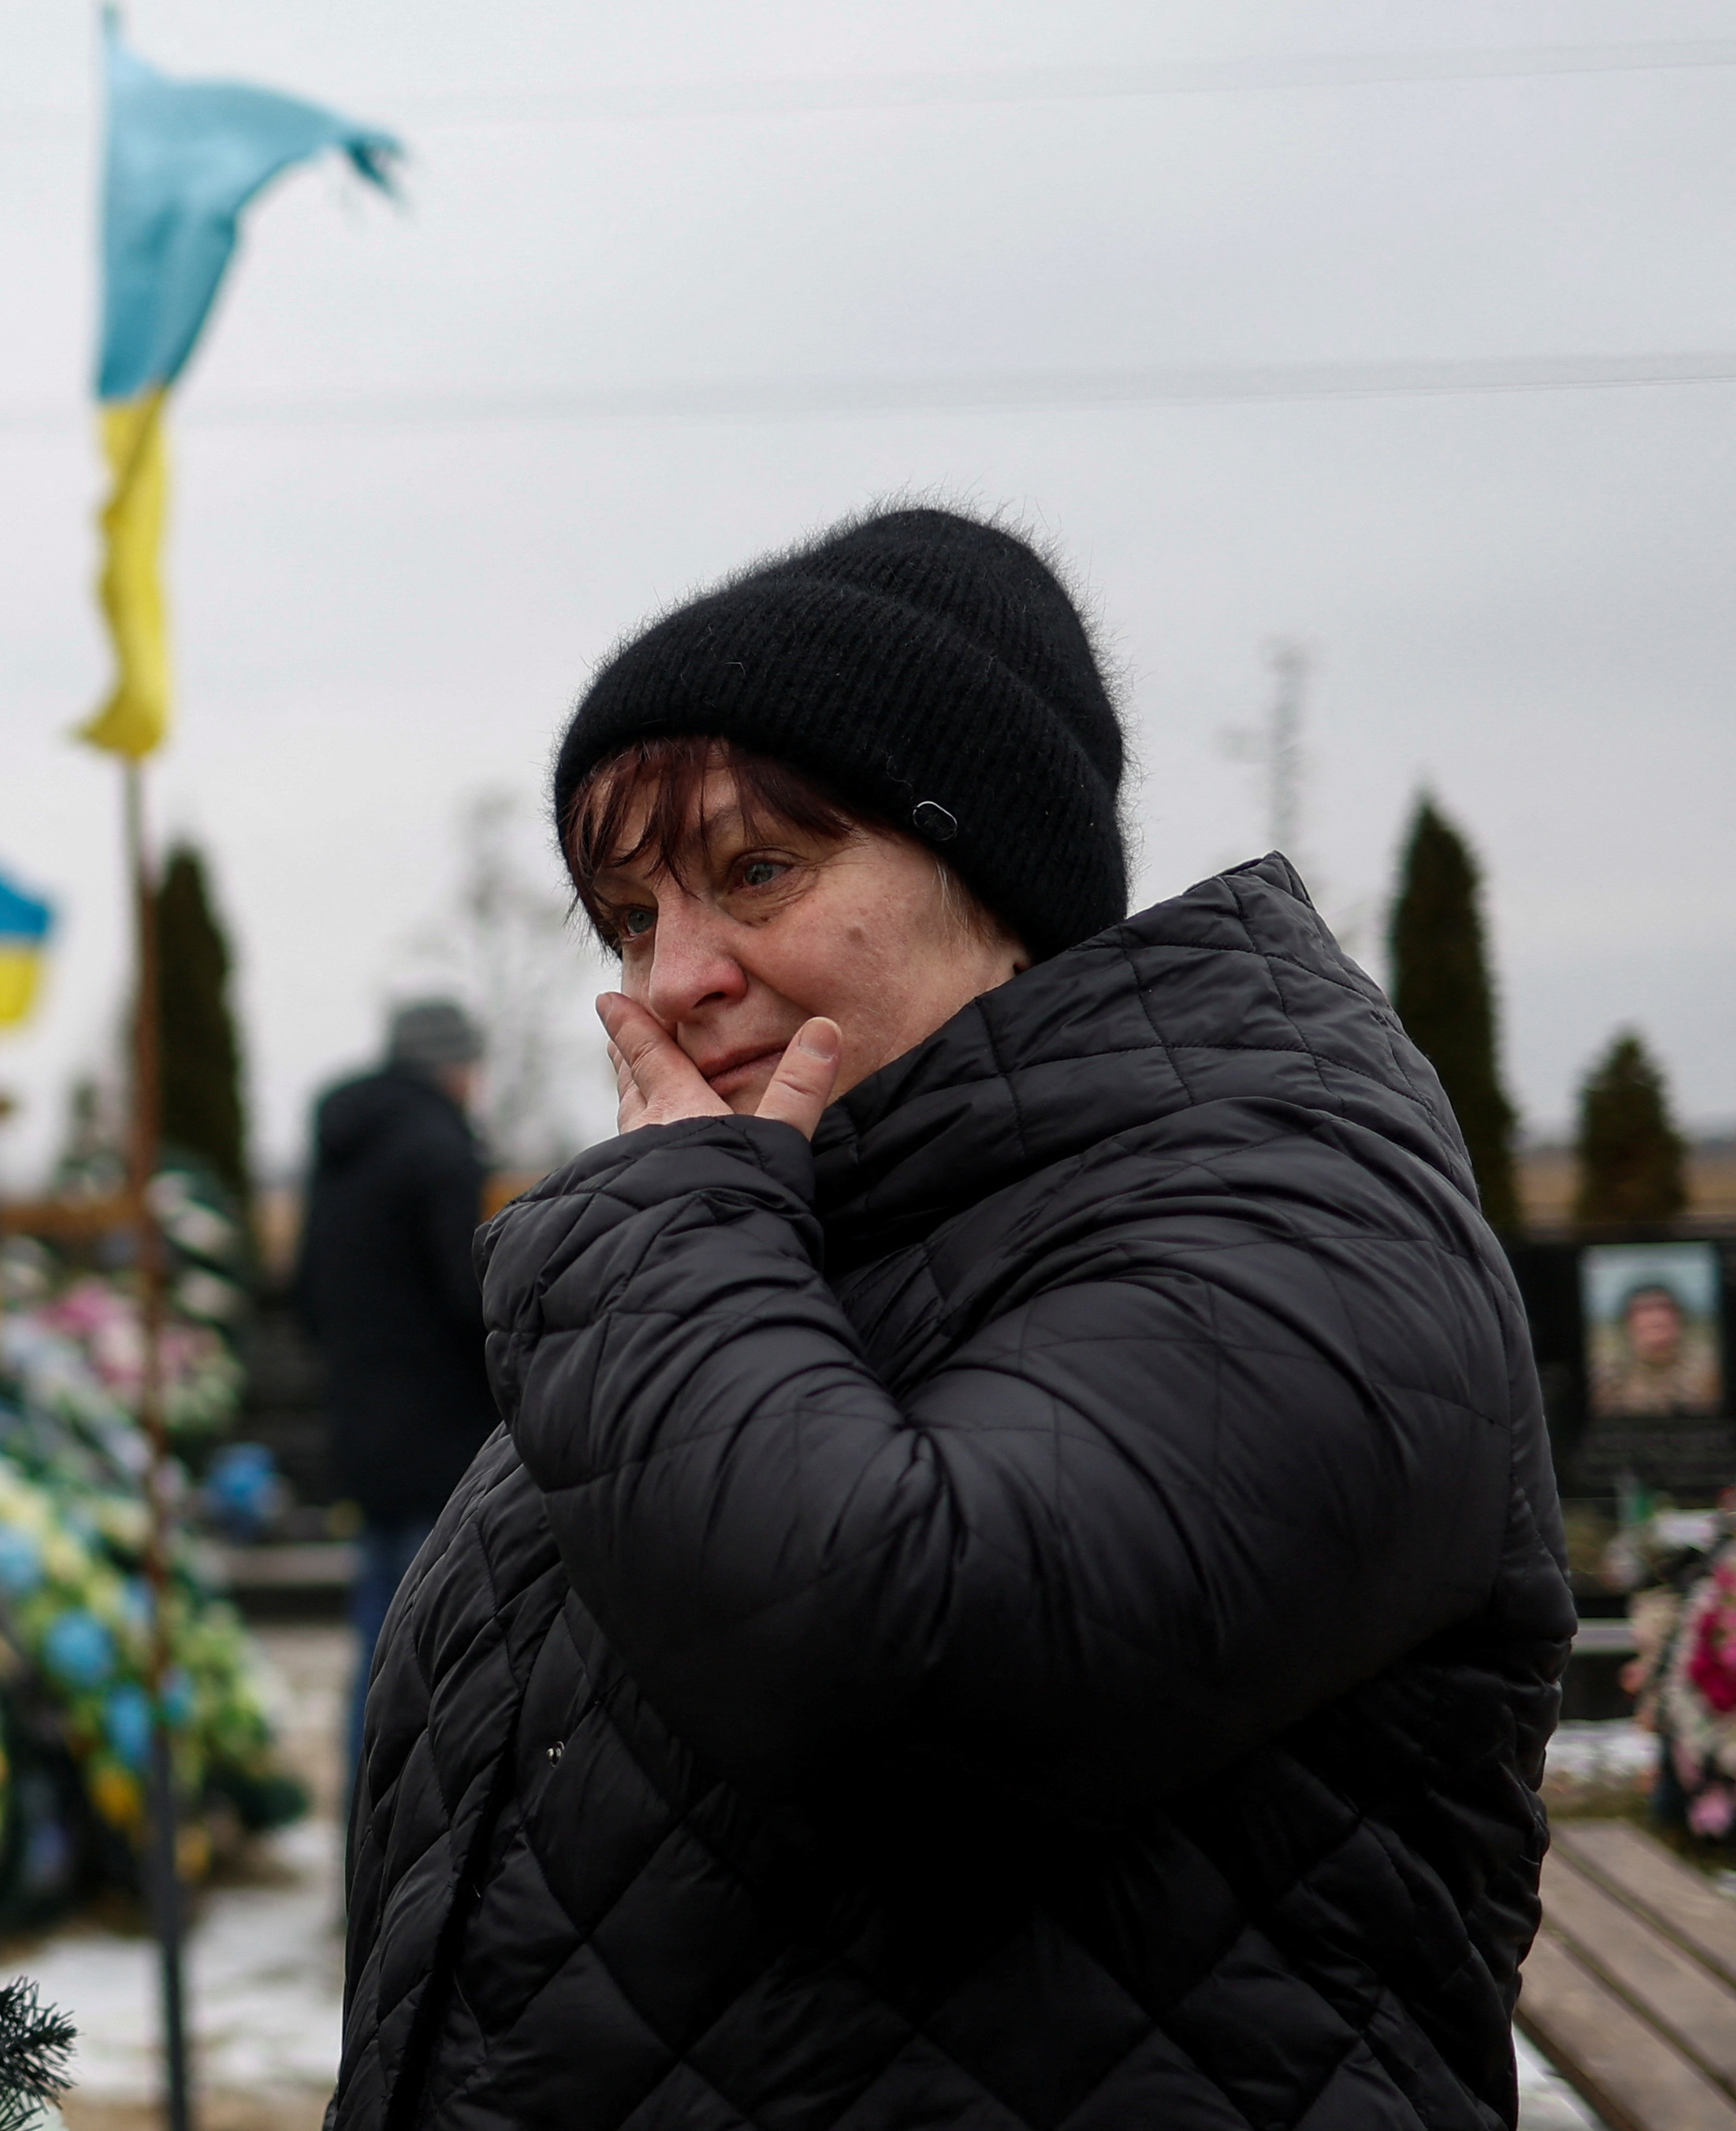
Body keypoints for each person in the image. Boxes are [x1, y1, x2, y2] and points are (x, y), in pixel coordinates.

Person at [334, 508, 1570, 2131]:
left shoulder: (1294, 1219)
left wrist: (667, 1241)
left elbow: (904, 1667)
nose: (674, 976)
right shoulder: (756, 1244)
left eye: (756, 870)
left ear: (995, 878)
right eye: (632, 917)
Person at [293, 996, 492, 1795]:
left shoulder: (339, 1152)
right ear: (452, 1064)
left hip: (362, 1440)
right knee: (438, 1650)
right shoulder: (439, 1148)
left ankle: (363, 1824)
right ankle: (416, 1823)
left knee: (378, 1644)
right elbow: (469, 1297)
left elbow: (307, 1299)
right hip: (442, 1441)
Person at [1595, 1277, 1721, 1417]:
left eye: (1664, 1308)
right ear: (1627, 1325)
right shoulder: (1607, 1382)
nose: (1656, 1318)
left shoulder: (1710, 1375)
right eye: (1644, 1310)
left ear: (1680, 1320)